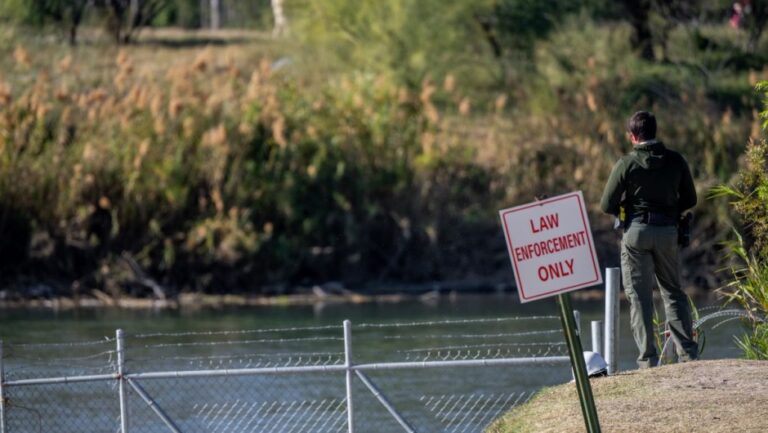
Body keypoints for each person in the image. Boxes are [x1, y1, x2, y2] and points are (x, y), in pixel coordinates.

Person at [600, 111, 698, 368]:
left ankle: (648, 359)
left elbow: (606, 204)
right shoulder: (675, 161)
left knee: (640, 297)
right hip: (668, 232)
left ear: (632, 136)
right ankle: (687, 354)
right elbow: (691, 200)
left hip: (636, 233)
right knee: (673, 293)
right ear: (655, 131)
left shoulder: (626, 164)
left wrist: (627, 206)